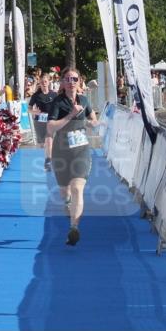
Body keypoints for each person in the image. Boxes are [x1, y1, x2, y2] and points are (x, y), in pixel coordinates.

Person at [46, 67, 98, 246]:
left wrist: (92, 123)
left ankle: (74, 228)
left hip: (81, 150)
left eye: (74, 79)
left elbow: (93, 119)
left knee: (77, 188)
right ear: (62, 82)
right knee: (65, 192)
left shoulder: (84, 100)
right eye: (67, 79)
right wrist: (71, 115)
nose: (71, 82)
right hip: (61, 152)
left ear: (79, 81)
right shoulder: (57, 102)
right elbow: (50, 127)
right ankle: (68, 203)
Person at [29, 74, 57, 170]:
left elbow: (58, 106)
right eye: (42, 82)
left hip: (50, 120)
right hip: (39, 121)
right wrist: (34, 112)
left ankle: (48, 161)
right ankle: (45, 157)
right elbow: (29, 109)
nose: (44, 83)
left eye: (45, 81)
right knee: (41, 144)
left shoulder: (54, 94)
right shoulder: (36, 95)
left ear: (49, 82)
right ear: (39, 83)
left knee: (49, 140)